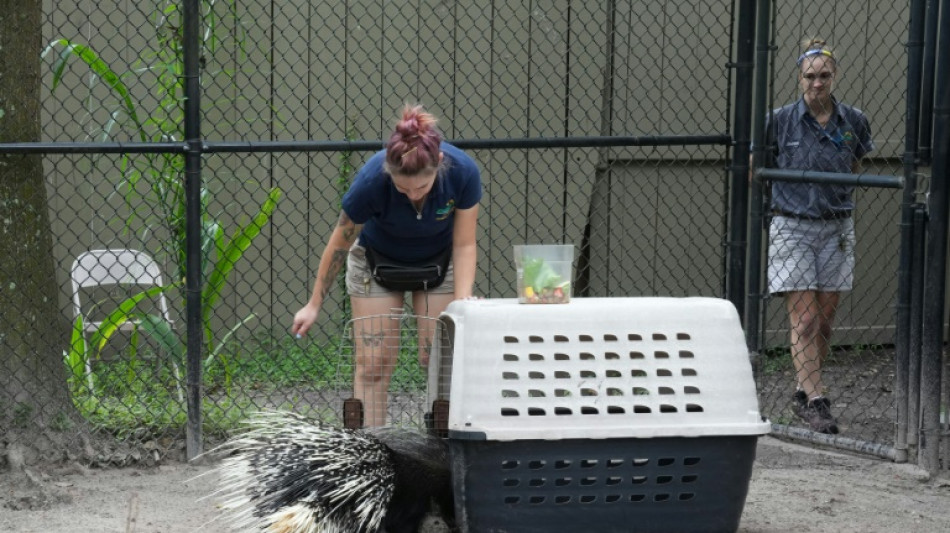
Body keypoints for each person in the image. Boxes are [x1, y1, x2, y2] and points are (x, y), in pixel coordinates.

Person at [291, 104, 482, 427]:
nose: (412, 196)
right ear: (388, 172)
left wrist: (462, 301)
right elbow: (339, 243)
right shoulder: (371, 180)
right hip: (376, 263)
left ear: (439, 162)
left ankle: (443, 448)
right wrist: (313, 304)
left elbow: (464, 244)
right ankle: (370, 446)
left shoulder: (463, 172)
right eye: (402, 188)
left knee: (437, 361)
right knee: (373, 363)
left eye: (421, 187)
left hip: (438, 265)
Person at [764, 38, 873, 434]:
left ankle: (802, 389)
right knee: (806, 319)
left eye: (824, 75)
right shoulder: (779, 121)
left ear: (834, 76)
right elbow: (757, 166)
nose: (817, 83)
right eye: (810, 76)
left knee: (824, 322)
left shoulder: (853, 121)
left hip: (836, 226)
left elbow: (856, 162)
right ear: (799, 78)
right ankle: (816, 400)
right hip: (792, 224)